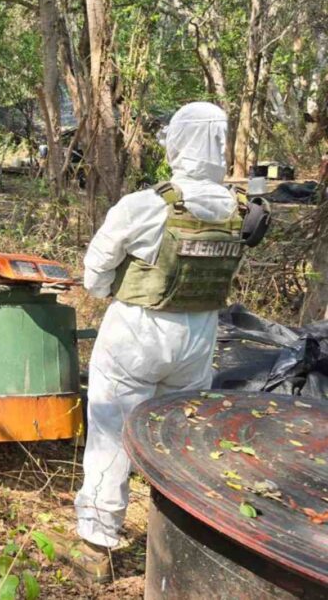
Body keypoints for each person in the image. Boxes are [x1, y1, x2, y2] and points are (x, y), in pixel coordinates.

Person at [70, 102, 245, 577]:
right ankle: (177, 545)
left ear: (179, 141)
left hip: (138, 333)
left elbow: (94, 274)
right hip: (200, 338)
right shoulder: (237, 208)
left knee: (111, 435)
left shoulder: (146, 205)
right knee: (177, 441)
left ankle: (96, 546)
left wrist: (115, 292)